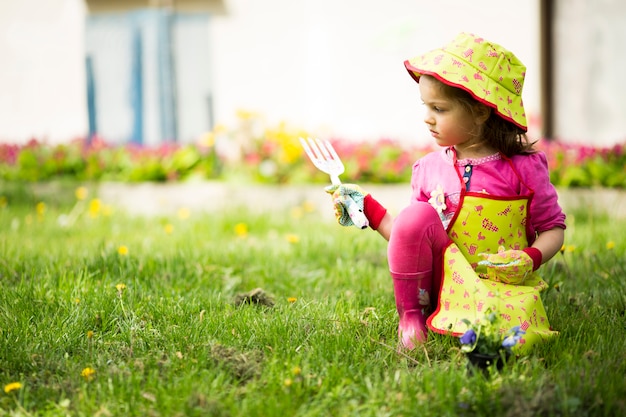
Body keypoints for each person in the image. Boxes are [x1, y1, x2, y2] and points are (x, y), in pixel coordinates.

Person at [326, 32, 566, 352]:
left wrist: (530, 257)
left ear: (481, 110)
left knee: (511, 343)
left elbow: (553, 228)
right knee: (417, 214)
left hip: (499, 286)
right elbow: (411, 237)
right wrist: (366, 208)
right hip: (440, 283)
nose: (427, 118)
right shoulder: (428, 168)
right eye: (426, 106)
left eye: (439, 108)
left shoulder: (523, 168)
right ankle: (411, 317)